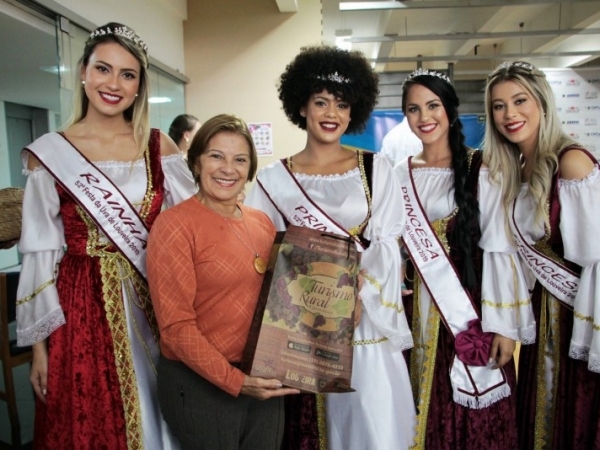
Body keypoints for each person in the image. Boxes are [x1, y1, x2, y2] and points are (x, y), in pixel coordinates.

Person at [15, 22, 196, 449]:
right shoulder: (50, 153)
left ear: (139, 87)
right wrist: (38, 348)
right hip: (79, 308)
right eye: (103, 69)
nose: (113, 84)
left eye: (127, 74)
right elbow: (40, 254)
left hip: (154, 301)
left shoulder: (159, 146)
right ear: (83, 72)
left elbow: (191, 229)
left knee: (163, 412)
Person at [245, 45, 416, 450]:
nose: (331, 114)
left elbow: (389, 246)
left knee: (370, 426)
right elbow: (260, 254)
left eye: (342, 104)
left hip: (364, 321)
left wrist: (358, 300)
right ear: (301, 106)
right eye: (320, 101)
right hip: (300, 330)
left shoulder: (377, 168)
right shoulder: (273, 179)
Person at [394, 68, 534, 449]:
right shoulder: (397, 174)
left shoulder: (483, 168)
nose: (425, 118)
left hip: (469, 317)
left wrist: (504, 325)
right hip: (412, 319)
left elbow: (501, 250)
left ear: (451, 110)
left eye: (433, 105)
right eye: (413, 109)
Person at [146, 114, 299, 450]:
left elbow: (286, 300)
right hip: (201, 386)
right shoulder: (174, 226)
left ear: (250, 169)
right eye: (216, 156)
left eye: (239, 159)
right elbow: (175, 328)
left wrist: (344, 290)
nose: (227, 168)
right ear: (196, 161)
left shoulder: (262, 224)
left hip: (261, 381)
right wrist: (238, 382)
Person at [483, 61, 600, 449]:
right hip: (541, 315)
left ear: (543, 104)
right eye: (498, 106)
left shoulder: (571, 161)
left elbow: (596, 259)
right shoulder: (515, 167)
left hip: (577, 318)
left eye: (520, 101)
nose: (510, 114)